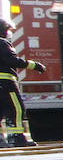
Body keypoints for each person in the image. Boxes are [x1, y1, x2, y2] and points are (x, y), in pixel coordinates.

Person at [1, 19, 45, 147]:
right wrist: (35, 65)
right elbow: (12, 60)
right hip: (5, 84)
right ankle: (17, 139)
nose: (9, 33)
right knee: (15, 109)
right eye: (8, 30)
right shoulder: (2, 43)